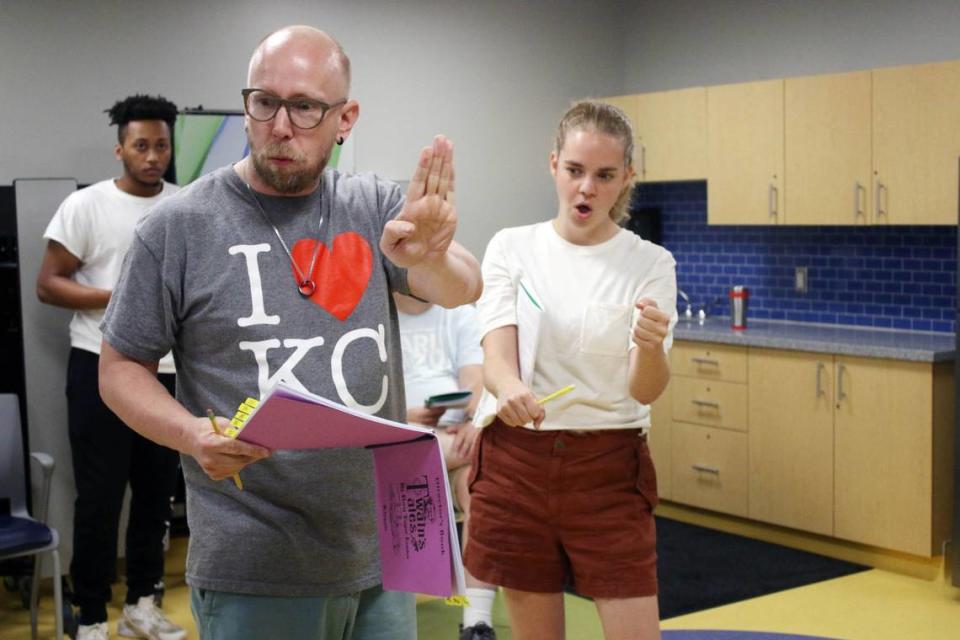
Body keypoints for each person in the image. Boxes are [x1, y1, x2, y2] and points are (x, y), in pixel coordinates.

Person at [96, 25, 482, 640]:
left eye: (304, 107)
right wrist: (193, 435)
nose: (280, 126)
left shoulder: (375, 205)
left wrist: (431, 255)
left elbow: (462, 287)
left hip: (385, 549)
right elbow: (119, 368)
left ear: (344, 118)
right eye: (264, 102)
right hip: (255, 562)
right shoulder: (179, 227)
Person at [463, 100, 677, 640]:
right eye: (575, 171)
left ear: (627, 176)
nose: (586, 188)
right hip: (518, 463)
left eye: (605, 176)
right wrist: (508, 388)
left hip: (607, 468)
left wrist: (651, 348)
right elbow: (497, 356)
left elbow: (644, 388)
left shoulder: (649, 264)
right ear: (553, 164)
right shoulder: (512, 247)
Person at [36, 95, 187, 640]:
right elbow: (48, 283)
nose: (152, 157)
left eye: (162, 146)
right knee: (99, 498)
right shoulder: (87, 206)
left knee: (156, 496)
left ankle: (142, 605)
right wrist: (118, 296)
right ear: (120, 147)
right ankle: (92, 615)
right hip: (98, 367)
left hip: (168, 372)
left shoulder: (185, 204)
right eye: (141, 145)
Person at [393, 293, 498, 640]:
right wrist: (404, 416)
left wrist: (474, 419)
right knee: (489, 453)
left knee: (481, 490)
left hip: (453, 439)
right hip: (394, 437)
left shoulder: (459, 315)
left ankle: (476, 623)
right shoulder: (376, 311)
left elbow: (475, 381)